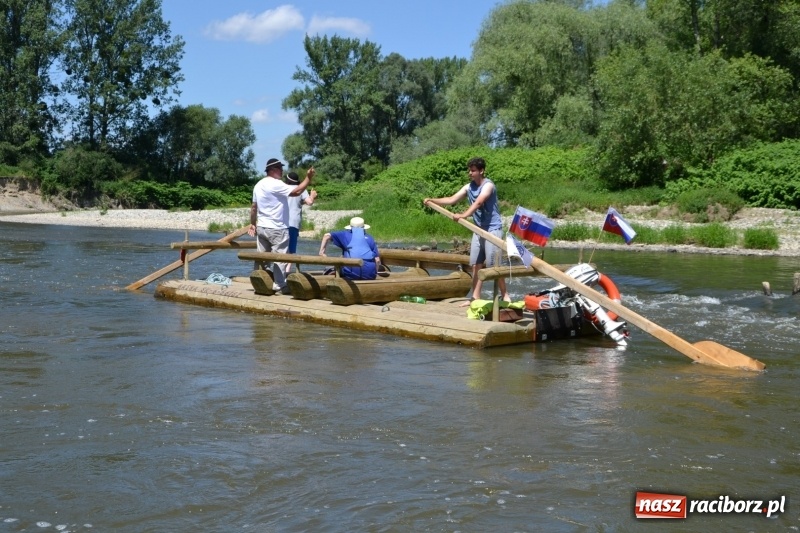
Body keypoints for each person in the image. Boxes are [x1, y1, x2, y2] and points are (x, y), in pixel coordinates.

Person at [423, 157, 510, 304]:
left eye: (473, 170)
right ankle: (475, 297)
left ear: (481, 171)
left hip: (492, 230)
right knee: (476, 264)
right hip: (477, 229)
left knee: (494, 265)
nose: (470, 173)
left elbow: (479, 202)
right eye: (469, 170)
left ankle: (505, 295)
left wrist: (463, 215)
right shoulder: (468, 187)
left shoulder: (488, 185)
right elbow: (451, 200)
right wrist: (431, 200)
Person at [247, 158, 315, 293]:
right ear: (272, 170)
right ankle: (279, 284)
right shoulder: (276, 184)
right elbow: (296, 191)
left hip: (262, 227)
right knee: (280, 258)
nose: (282, 170)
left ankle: (260, 281)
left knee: (262, 257)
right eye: (279, 168)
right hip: (277, 227)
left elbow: (254, 207)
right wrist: (308, 178)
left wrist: (252, 223)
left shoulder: (258, 185)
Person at [284, 171, 317, 274]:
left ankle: (280, 270)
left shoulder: (283, 188)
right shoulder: (301, 189)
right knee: (292, 248)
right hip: (294, 222)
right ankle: (287, 271)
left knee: (282, 247)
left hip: (282, 222)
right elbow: (310, 202)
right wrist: (312, 195)